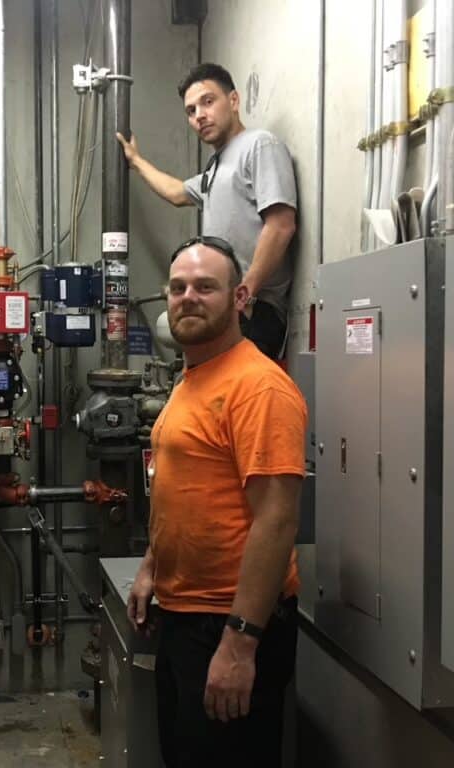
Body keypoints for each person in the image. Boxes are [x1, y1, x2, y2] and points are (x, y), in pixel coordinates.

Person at [128, 236, 306, 766]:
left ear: (240, 298)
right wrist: (151, 566)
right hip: (185, 617)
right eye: (178, 288)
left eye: (206, 287)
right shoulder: (193, 379)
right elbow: (184, 486)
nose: (188, 298)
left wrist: (240, 643)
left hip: (230, 622)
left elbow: (277, 521)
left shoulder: (258, 387)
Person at [117, 63, 297, 359]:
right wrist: (136, 161)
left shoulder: (259, 145)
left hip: (253, 309)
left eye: (208, 101)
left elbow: (281, 225)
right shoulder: (216, 167)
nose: (199, 115)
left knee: (243, 387)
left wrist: (245, 294)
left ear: (234, 101)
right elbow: (177, 193)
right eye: (191, 111)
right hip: (227, 306)